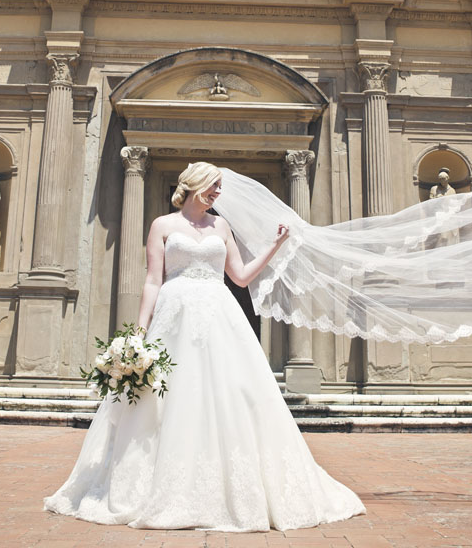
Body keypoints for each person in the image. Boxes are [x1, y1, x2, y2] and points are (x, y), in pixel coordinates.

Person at [43, 162, 365, 531]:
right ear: (194, 185)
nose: (217, 193)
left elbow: (240, 277)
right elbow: (152, 280)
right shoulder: (162, 226)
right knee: (168, 397)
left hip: (218, 316)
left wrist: (276, 245)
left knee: (231, 393)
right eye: (213, 186)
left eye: (219, 187)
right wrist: (139, 331)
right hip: (174, 315)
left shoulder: (221, 226)